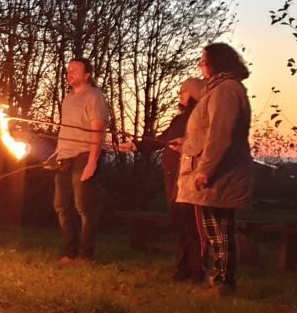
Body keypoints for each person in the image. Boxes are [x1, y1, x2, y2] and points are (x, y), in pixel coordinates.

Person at [176, 43, 254, 296]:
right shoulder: (218, 90)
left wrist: (205, 170)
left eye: (204, 60)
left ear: (217, 62)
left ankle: (223, 283)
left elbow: (220, 135)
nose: (200, 65)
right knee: (215, 230)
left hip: (222, 173)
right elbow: (206, 132)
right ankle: (220, 281)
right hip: (215, 170)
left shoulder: (226, 91)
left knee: (221, 230)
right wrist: (187, 144)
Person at [121, 77, 208, 281]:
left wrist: (186, 143)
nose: (180, 95)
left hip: (190, 177)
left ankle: (197, 271)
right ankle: (182, 269)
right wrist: (136, 146)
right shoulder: (178, 120)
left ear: (194, 95)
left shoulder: (203, 118)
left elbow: (206, 143)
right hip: (172, 179)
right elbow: (162, 140)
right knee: (179, 225)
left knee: (193, 227)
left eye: (184, 91)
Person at [50, 57, 110, 264]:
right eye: (68, 69)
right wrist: (55, 155)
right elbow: (66, 129)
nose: (69, 73)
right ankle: (70, 252)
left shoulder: (94, 97)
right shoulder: (67, 99)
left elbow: (98, 129)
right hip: (64, 156)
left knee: (83, 206)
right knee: (61, 206)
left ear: (87, 75)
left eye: (75, 70)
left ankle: (86, 255)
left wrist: (93, 161)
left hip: (84, 154)